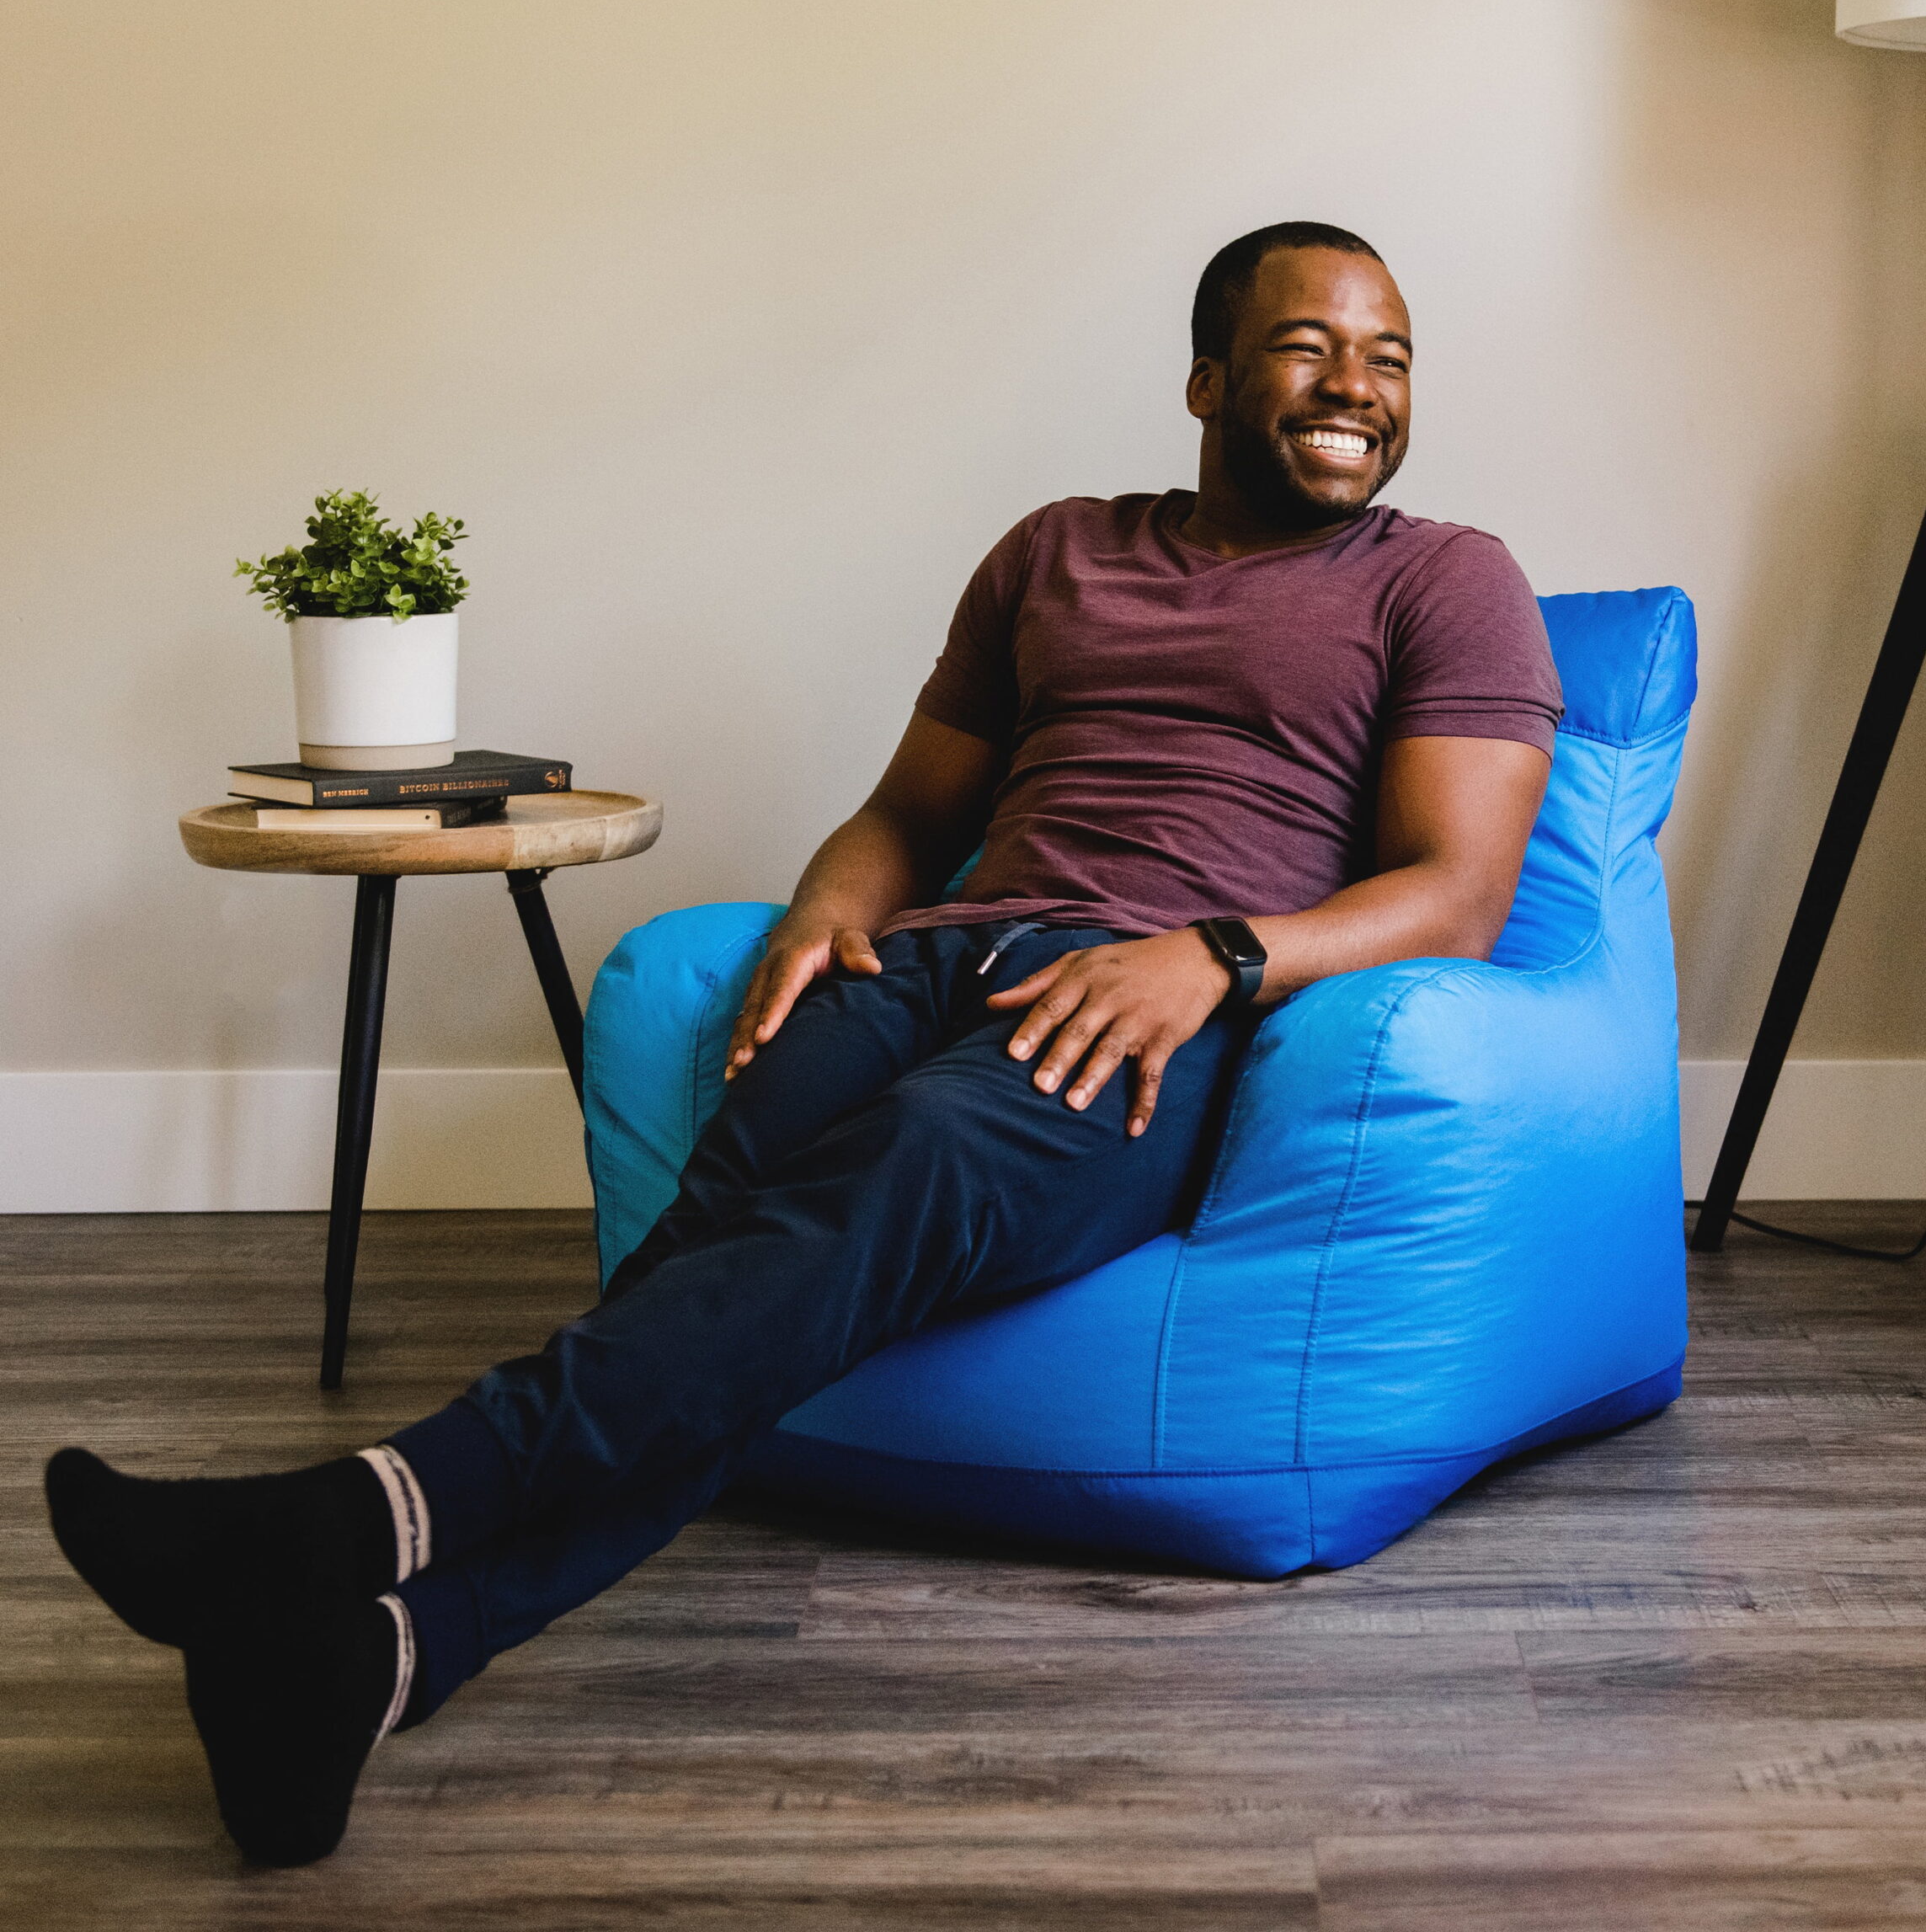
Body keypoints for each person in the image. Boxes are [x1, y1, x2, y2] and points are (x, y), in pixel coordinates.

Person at [45, 221, 1562, 1864]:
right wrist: (819, 916)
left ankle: (335, 1520)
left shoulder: (1443, 578)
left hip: (1148, 1002)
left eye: (1388, 355)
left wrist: (1213, 955)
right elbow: (907, 813)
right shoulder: (1055, 550)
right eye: (1306, 345)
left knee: (889, 1178)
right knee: (711, 1269)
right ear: (1205, 380)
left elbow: (1458, 890)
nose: (1355, 385)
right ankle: (360, 1662)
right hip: (930, 961)